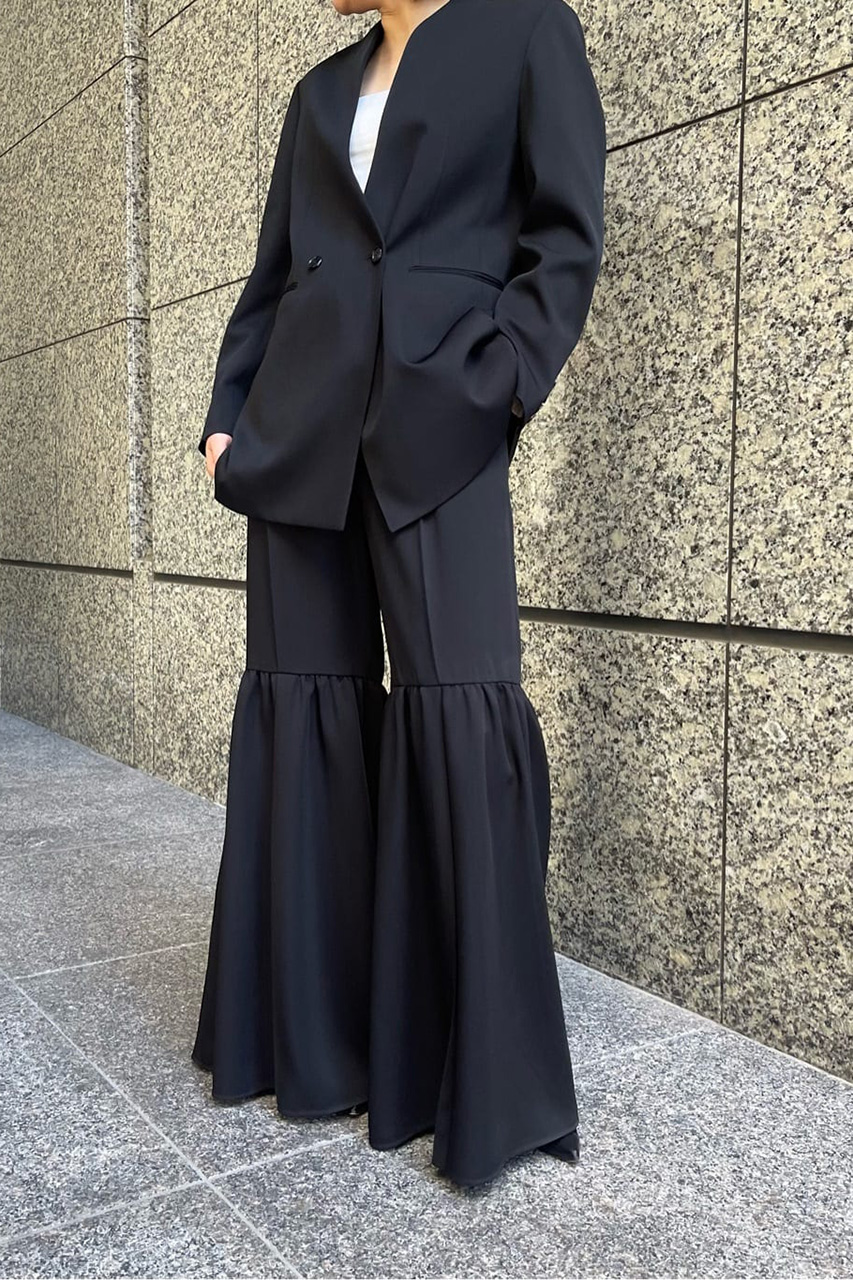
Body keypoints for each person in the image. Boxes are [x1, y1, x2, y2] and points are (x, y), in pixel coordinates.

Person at [191, 0, 607, 1190]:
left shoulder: (524, 31)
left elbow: (565, 236)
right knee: (304, 703)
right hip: (296, 434)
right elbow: (274, 274)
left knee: (460, 701)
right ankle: (314, 1043)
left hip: (442, 422)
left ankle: (470, 1073)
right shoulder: (319, 91)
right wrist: (226, 419)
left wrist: (502, 379)